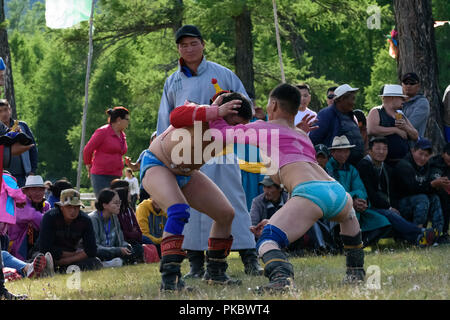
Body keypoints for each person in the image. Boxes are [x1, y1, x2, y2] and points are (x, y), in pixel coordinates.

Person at [199, 83, 367, 292]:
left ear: (274, 104)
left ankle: (282, 279)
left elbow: (219, 133)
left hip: (309, 193)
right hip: (338, 192)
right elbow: (295, 181)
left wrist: (215, 110)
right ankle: (356, 272)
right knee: (348, 217)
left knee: (267, 240)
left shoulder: (262, 127)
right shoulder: (302, 136)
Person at [157, 24, 260, 284]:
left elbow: (244, 107)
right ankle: (195, 262)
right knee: (193, 210)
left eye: (193, 43)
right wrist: (163, 153)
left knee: (232, 201)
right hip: (185, 150)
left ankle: (249, 256)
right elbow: (165, 119)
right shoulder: (173, 81)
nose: (189, 49)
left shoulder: (223, 74)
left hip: (221, 148)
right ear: (178, 49)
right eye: (183, 45)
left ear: (203, 44)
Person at [141, 91, 253, 290]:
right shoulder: (198, 111)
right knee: (178, 210)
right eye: (233, 123)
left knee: (225, 214)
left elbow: (266, 137)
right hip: (158, 164)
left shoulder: (232, 131)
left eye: (239, 126)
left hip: (187, 173)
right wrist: (214, 111)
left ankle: (215, 272)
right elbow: (175, 116)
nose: (234, 130)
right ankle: (170, 280)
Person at [357, 136, 438, 247]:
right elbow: (371, 193)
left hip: (385, 204)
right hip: (369, 206)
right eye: (378, 149)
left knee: (398, 212)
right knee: (390, 214)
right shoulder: (364, 165)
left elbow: (392, 192)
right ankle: (422, 232)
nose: (381, 152)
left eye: (385, 149)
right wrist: (389, 207)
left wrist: (393, 206)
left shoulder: (385, 167)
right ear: (370, 151)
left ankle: (420, 238)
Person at [326, 135, 392, 247]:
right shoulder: (328, 168)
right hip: (335, 207)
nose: (344, 154)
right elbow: (332, 192)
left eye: (346, 151)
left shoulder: (351, 169)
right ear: (332, 153)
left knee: (383, 222)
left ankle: (360, 245)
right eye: (340, 151)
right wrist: (353, 199)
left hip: (355, 206)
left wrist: (359, 200)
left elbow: (360, 188)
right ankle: (343, 244)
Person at [38, 189, 102, 272]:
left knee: (95, 262)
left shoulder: (85, 220)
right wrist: (76, 254)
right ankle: (62, 269)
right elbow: (44, 249)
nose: (73, 211)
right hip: (52, 256)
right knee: (42, 259)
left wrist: (65, 261)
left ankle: (60, 269)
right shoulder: (49, 217)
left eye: (76, 207)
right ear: (61, 207)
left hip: (72, 257)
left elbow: (91, 250)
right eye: (69, 207)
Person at [392, 138, 445, 236]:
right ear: (413, 151)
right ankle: (417, 235)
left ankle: (437, 234)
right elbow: (413, 189)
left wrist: (440, 184)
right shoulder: (404, 165)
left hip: (417, 202)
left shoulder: (427, 165)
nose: (423, 158)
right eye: (420, 154)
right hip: (399, 206)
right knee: (422, 198)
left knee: (435, 198)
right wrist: (432, 184)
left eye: (426, 155)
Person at [309, 84, 365, 166]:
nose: (354, 103)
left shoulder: (350, 115)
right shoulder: (326, 114)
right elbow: (314, 139)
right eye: (352, 99)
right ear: (342, 99)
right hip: (334, 168)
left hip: (352, 168)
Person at [367, 84, 418, 167]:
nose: (404, 101)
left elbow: (415, 135)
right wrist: (395, 130)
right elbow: (371, 129)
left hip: (403, 160)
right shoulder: (376, 111)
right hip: (384, 162)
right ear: (392, 98)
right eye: (401, 98)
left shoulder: (400, 114)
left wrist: (406, 127)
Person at [83, 106, 129, 197]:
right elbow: (88, 149)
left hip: (116, 174)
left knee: (116, 203)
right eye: (127, 119)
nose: (128, 122)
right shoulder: (102, 132)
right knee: (105, 203)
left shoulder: (122, 135)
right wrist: (88, 164)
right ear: (119, 119)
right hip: (101, 175)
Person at [89, 188, 137, 267]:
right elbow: (95, 246)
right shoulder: (93, 219)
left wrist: (127, 246)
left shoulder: (114, 217)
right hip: (100, 252)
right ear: (105, 205)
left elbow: (120, 241)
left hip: (112, 252)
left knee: (135, 248)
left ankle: (113, 262)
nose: (119, 205)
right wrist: (117, 250)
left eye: (119, 202)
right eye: (115, 203)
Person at [8, 175, 50, 261]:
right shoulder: (20, 204)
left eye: (41, 190)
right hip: (16, 244)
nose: (38, 193)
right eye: (34, 189)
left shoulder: (45, 205)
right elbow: (35, 217)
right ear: (26, 192)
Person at [0, 99, 38, 187]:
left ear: (10, 110)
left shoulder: (22, 125)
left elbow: (32, 148)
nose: (4, 114)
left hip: (22, 175)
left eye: (6, 109)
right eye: (0, 111)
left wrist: (32, 170)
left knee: (22, 199)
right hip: (3, 175)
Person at [110, 179, 144, 263]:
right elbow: (122, 233)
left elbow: (138, 230)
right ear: (122, 194)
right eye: (128, 192)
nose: (130, 194)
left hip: (134, 239)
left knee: (150, 243)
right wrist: (133, 233)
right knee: (138, 248)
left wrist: (133, 233)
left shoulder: (129, 209)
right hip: (124, 242)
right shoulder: (116, 213)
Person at [428, 142, 450, 244]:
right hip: (433, 191)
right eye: (449, 154)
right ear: (443, 153)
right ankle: (441, 233)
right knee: (444, 197)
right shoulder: (436, 162)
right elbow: (436, 180)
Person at [401, 72, 430, 137]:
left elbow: (411, 125)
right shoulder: (398, 101)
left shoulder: (422, 103)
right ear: (402, 85)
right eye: (406, 83)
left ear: (418, 86)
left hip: (413, 145)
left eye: (412, 83)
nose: (408, 86)